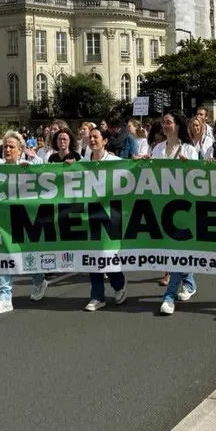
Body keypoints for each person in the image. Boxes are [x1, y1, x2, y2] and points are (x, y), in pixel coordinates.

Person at [0, 131, 47, 315]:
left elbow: (47, 176)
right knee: (4, 256)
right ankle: (5, 297)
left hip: (25, 219)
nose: (8, 150)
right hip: (3, 221)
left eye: (12, 147)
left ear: (20, 150)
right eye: (5, 146)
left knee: (27, 256)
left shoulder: (27, 167)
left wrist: (29, 170)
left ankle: (39, 280)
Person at [150, 110, 202, 315]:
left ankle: (169, 296)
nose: (165, 125)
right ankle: (189, 282)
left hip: (183, 207)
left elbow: (198, 177)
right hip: (162, 205)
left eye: (168, 122)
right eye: (163, 122)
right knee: (172, 249)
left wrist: (188, 167)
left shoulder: (189, 149)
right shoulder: (158, 149)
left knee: (177, 250)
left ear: (178, 126)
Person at [82, 127, 126, 312]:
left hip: (111, 216)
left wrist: (140, 161)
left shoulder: (115, 162)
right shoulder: (83, 163)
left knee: (107, 255)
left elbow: (134, 172)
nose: (92, 140)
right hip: (90, 216)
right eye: (90, 137)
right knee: (93, 256)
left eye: (96, 137)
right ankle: (97, 296)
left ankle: (119, 284)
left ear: (105, 141)